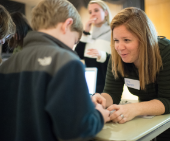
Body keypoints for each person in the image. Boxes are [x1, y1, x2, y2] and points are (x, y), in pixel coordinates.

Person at [0, 0, 110, 141]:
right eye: (75, 42)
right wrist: (99, 115)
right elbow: (76, 131)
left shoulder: (6, 66)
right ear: (67, 24)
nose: (72, 48)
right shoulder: (67, 62)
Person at [92, 7, 170, 141]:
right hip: (150, 102)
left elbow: (169, 102)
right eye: (116, 40)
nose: (119, 47)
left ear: (144, 39)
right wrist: (101, 100)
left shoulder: (168, 52)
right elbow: (111, 93)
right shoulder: (117, 56)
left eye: (126, 40)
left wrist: (133, 109)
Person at [75, 0, 112, 93]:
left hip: (107, 84)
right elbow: (77, 55)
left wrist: (102, 55)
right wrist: (85, 32)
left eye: (96, 10)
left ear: (106, 12)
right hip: (89, 83)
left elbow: (118, 59)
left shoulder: (113, 33)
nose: (93, 14)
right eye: (90, 12)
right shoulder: (88, 35)